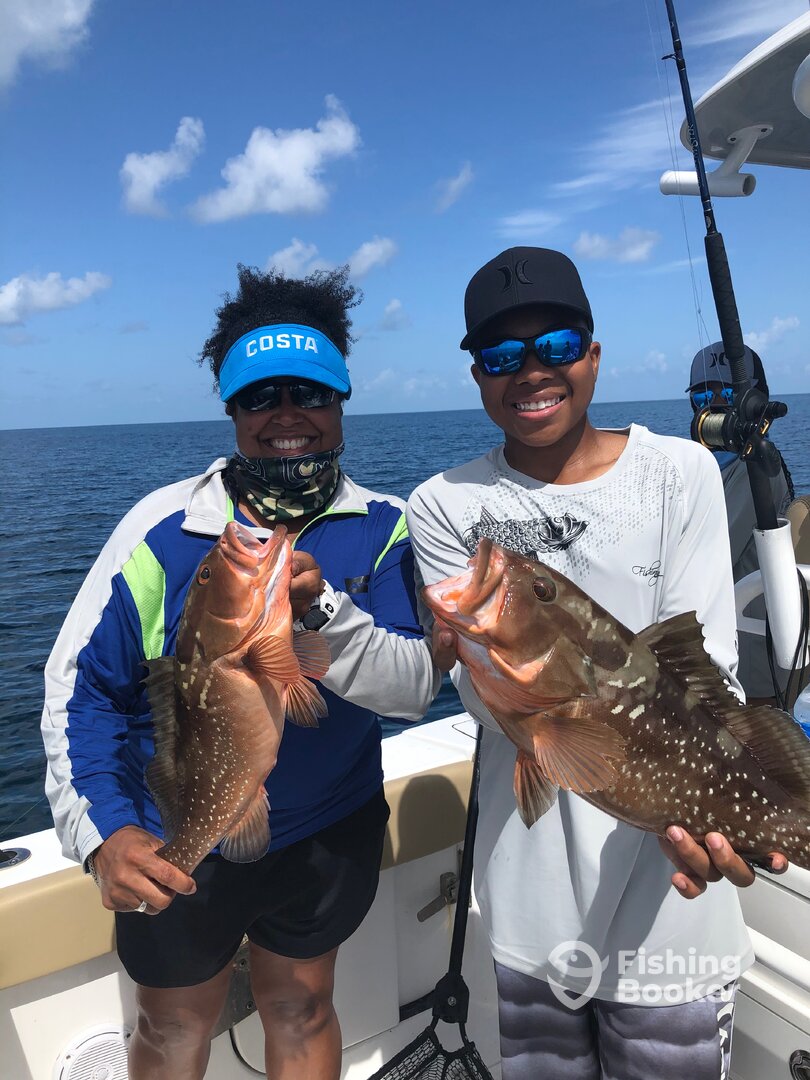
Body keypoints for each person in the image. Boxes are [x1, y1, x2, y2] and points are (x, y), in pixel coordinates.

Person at [41, 264, 439, 1080]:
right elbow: (82, 696)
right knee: (169, 1028)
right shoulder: (160, 531)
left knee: (303, 1006)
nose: (287, 415)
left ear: (341, 402)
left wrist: (322, 608)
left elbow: (412, 691)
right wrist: (106, 832)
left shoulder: (388, 527)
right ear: (231, 411)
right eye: (260, 398)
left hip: (329, 829)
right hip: (176, 826)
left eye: (310, 393)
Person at [407, 247, 789, 1080]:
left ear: (593, 353)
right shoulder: (443, 504)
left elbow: (709, 671)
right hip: (530, 907)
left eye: (556, 344)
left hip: (671, 911)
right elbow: (485, 697)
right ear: (477, 375)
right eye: (502, 355)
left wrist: (735, 813)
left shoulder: (679, 471)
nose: (531, 371)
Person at [687, 342, 794, 702]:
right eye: (704, 395)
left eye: (730, 394)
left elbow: (704, 557)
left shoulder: (758, 471)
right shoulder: (707, 469)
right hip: (714, 662)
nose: (716, 405)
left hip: (751, 674)